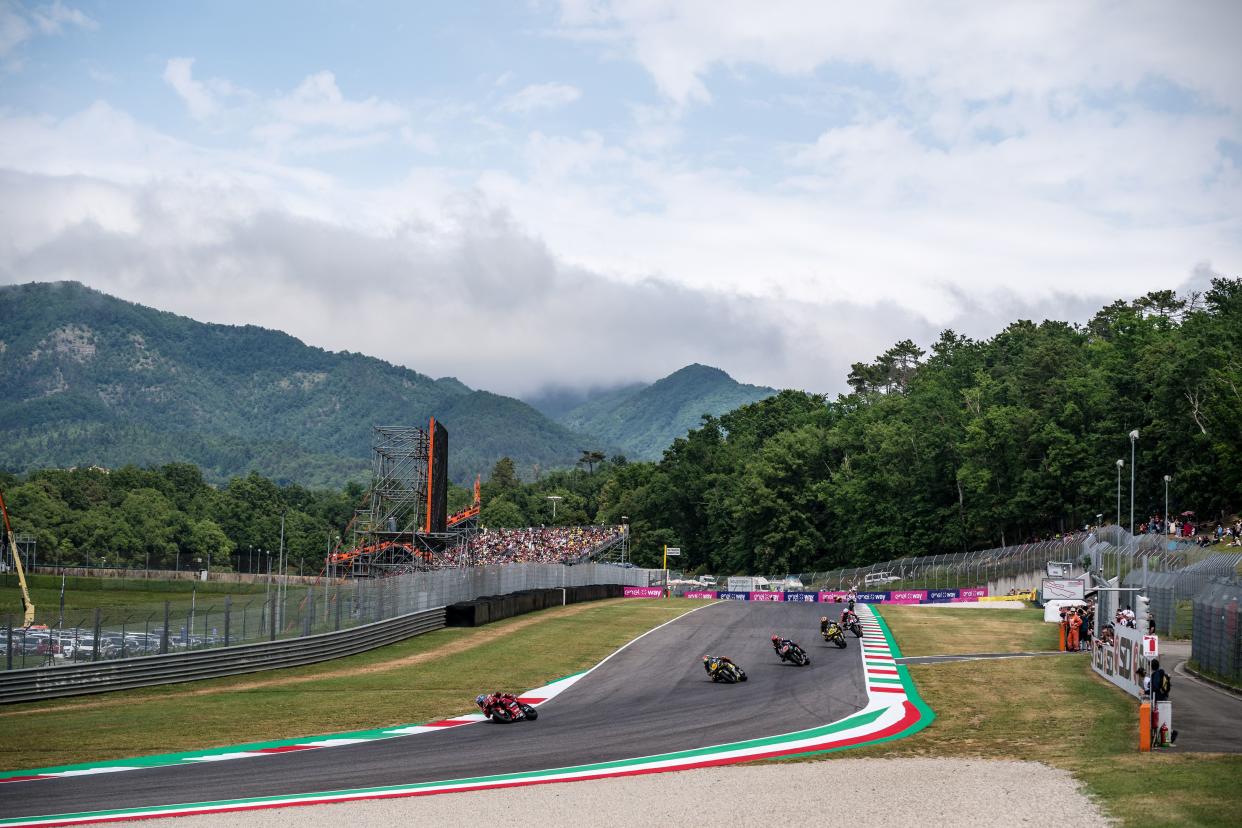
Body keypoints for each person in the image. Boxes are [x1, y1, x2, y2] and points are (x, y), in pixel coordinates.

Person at [1148, 659, 1178, 747]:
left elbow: (1156, 687)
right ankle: (1167, 735)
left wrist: (1149, 689)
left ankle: (1170, 733)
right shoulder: (1160, 673)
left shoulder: (1156, 674)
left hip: (1159, 699)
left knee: (1160, 718)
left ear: (1151, 666)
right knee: (1161, 717)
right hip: (1163, 697)